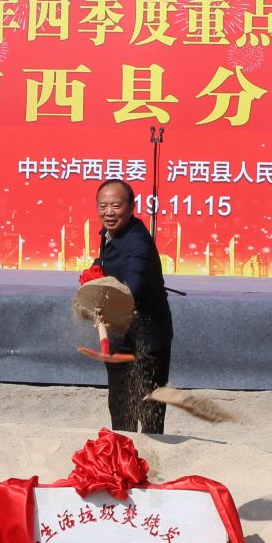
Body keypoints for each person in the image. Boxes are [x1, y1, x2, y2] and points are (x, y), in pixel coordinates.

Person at [91, 179, 173, 433]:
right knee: (120, 404)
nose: (109, 213)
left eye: (116, 206)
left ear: (131, 207)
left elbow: (132, 282)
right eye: (103, 206)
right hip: (119, 334)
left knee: (150, 408)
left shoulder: (138, 242)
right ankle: (122, 452)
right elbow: (105, 263)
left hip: (148, 336)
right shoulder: (108, 232)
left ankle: (151, 454)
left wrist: (117, 304)